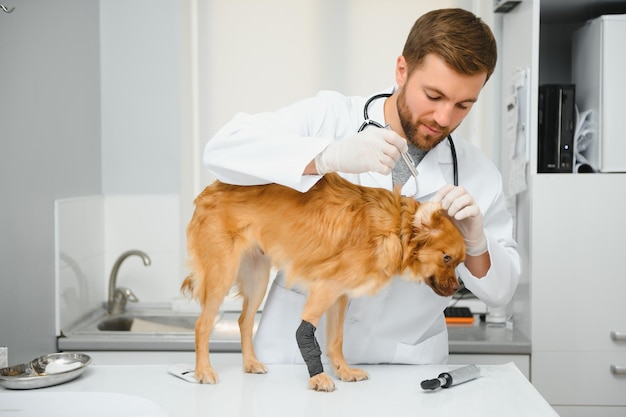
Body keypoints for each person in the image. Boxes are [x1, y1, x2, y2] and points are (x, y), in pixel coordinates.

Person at [203, 8, 521, 365]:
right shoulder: (331, 118)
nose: (444, 118)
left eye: (464, 105)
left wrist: (476, 242)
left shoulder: (478, 174)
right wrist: (325, 156)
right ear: (402, 70)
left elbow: (500, 293)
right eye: (433, 96)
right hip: (291, 365)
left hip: (404, 368)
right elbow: (222, 149)